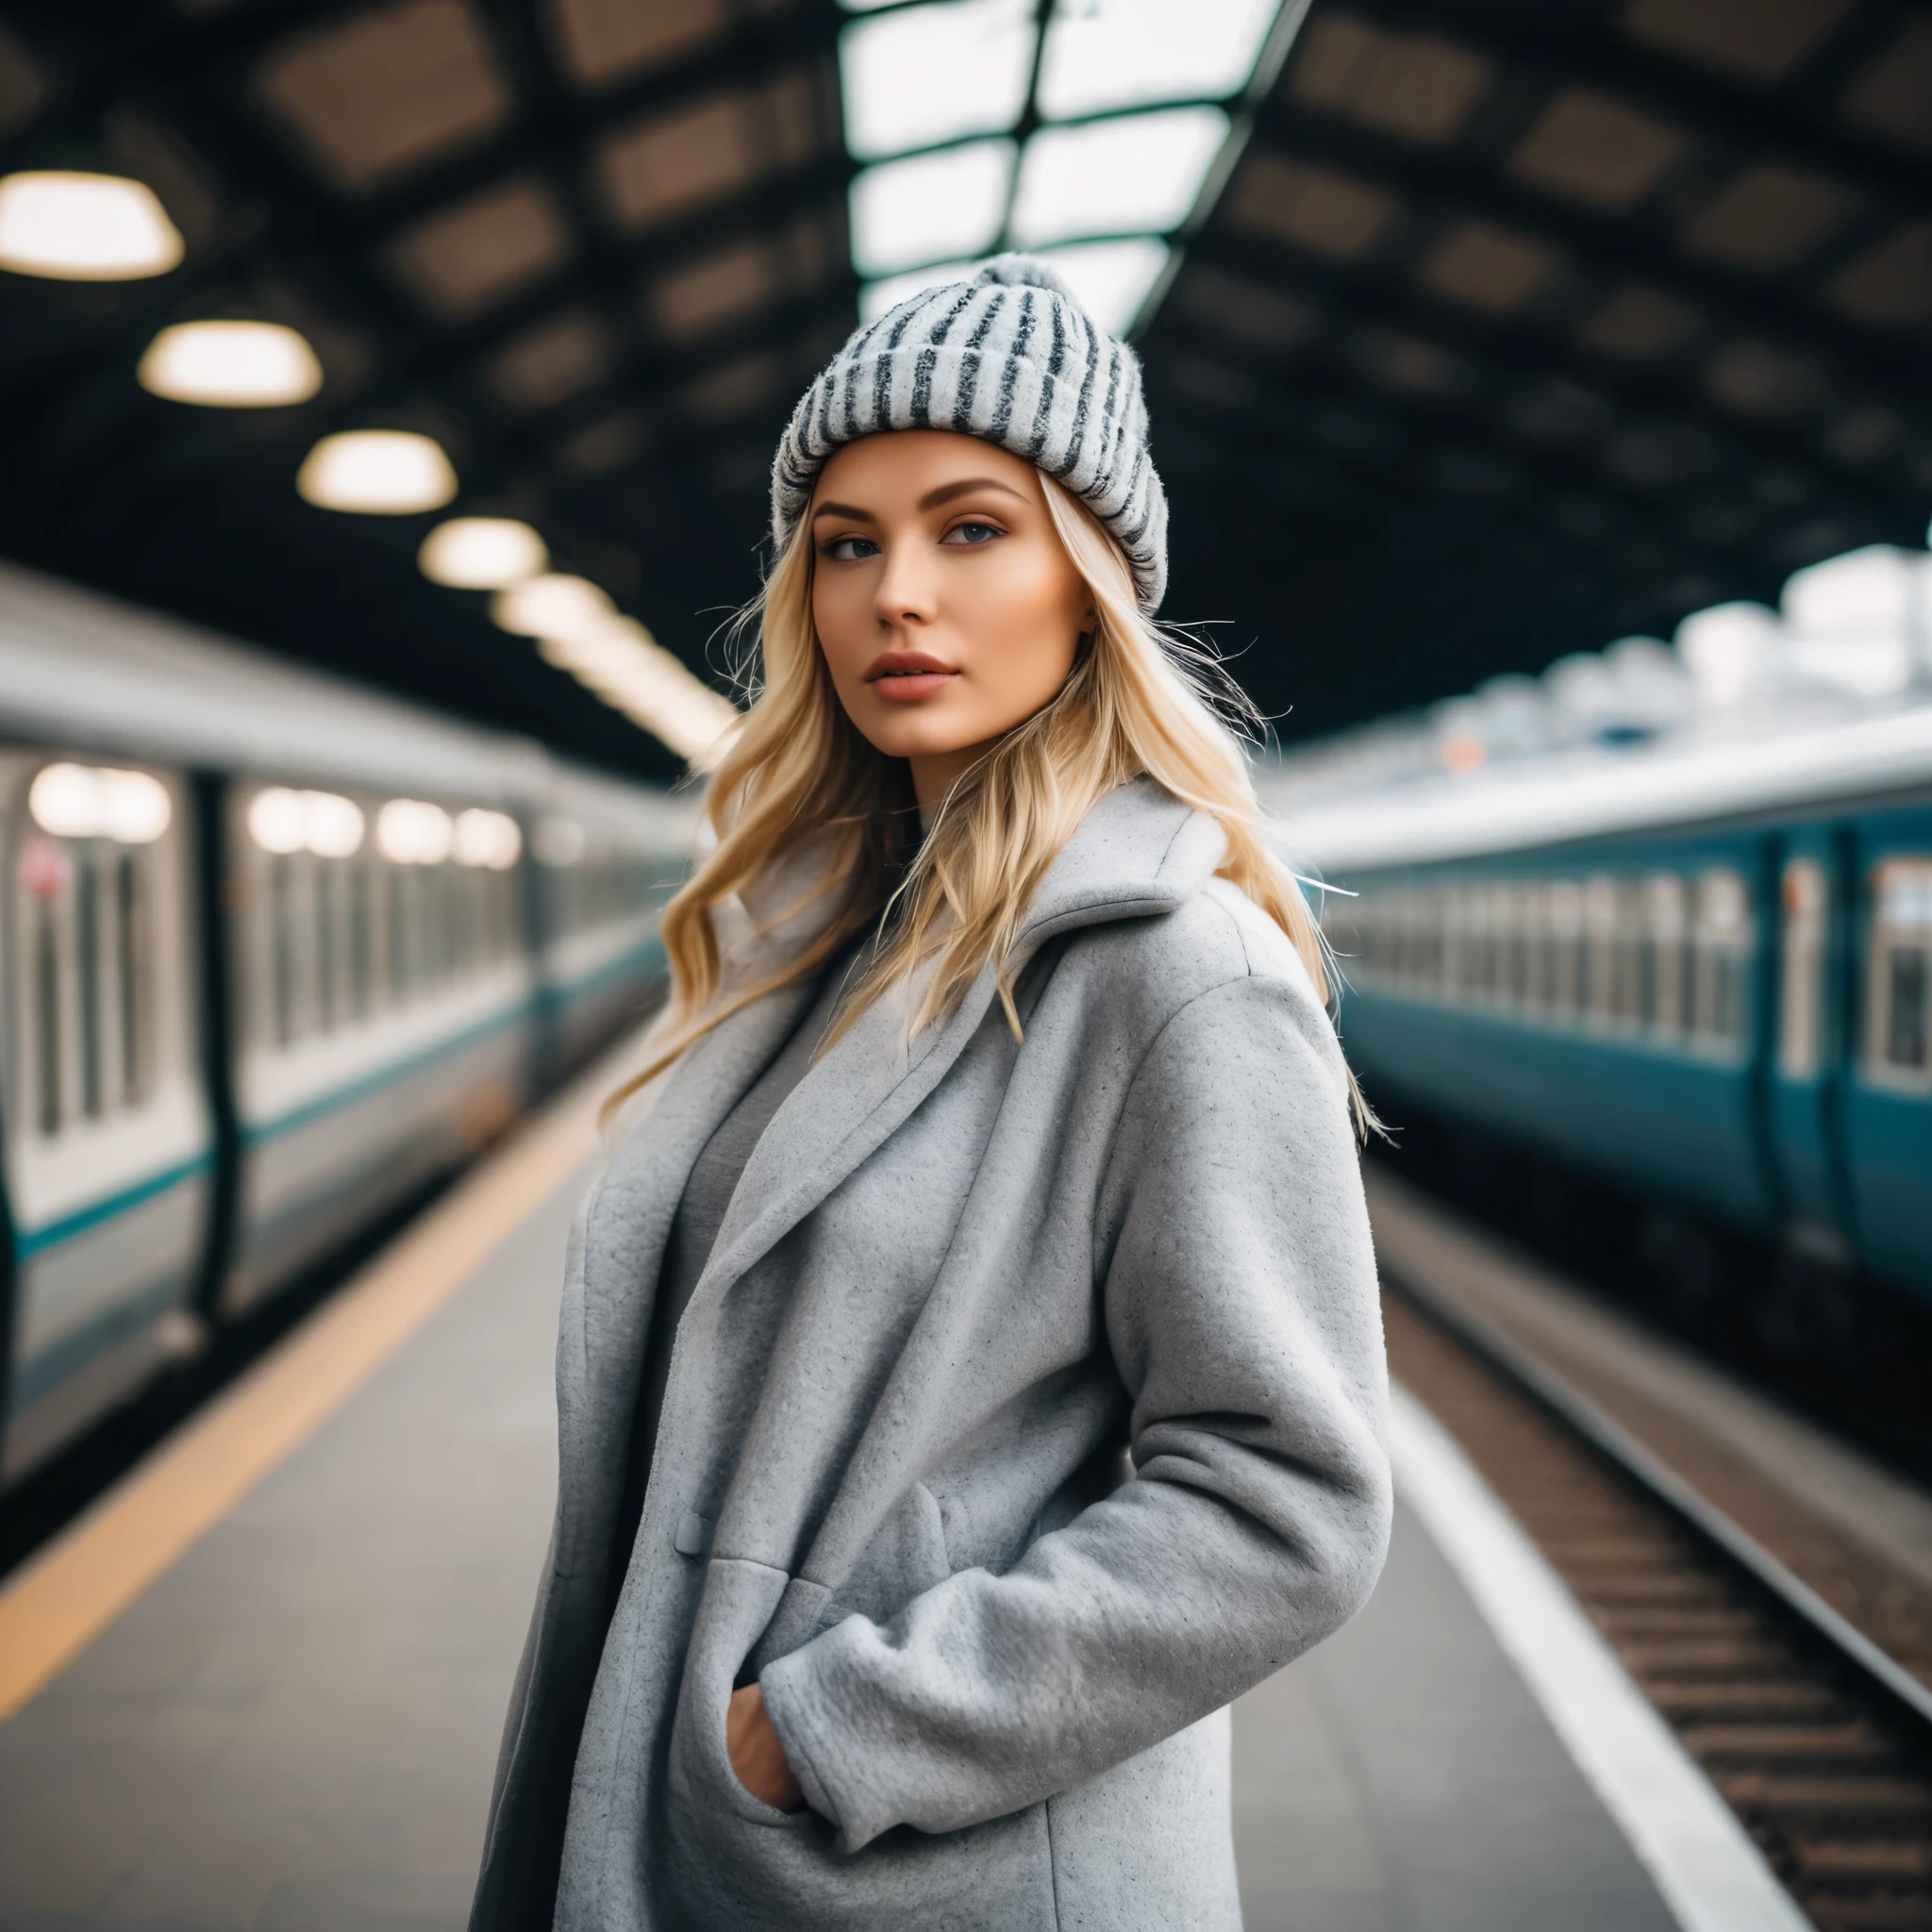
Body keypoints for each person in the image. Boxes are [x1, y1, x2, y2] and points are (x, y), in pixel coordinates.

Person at [470, 255, 1391, 1932]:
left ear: (1087, 578)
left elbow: (1288, 1499)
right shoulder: (832, 941)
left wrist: (816, 1738)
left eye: (973, 529)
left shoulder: (1178, 974)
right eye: (846, 541)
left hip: (922, 1862)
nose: (900, 592)